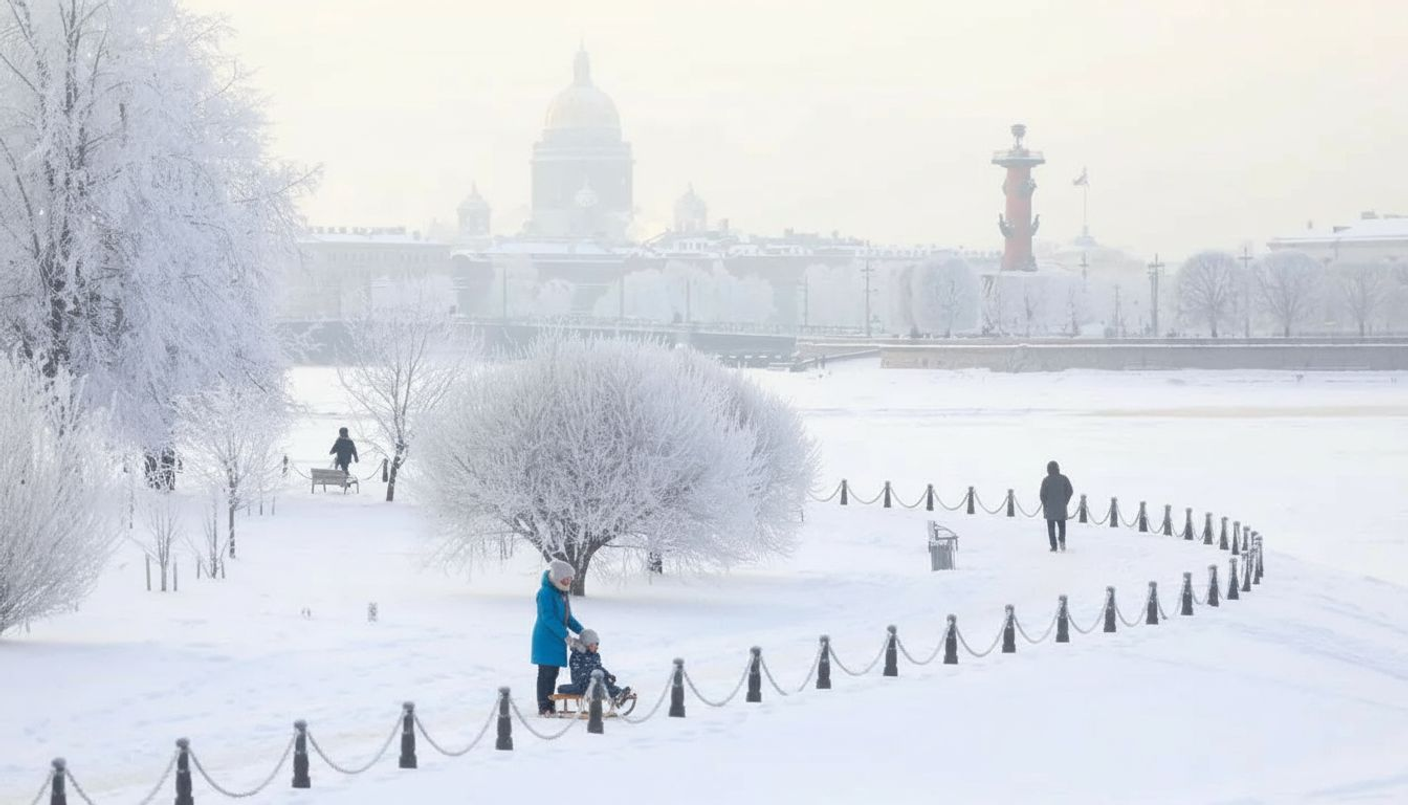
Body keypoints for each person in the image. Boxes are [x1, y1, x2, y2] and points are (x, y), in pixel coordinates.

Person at [532, 559, 587, 716]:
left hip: (557, 637)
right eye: (567, 578)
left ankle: (550, 705)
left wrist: (582, 631)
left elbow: (568, 618)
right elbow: (548, 617)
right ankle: (544, 706)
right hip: (545, 638)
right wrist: (566, 636)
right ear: (558, 577)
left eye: (570, 579)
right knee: (546, 672)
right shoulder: (545, 593)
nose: (569, 581)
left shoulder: (562, 593)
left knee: (553, 672)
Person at [560, 629, 631, 705]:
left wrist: (608, 675)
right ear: (587, 644)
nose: (597, 647)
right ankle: (618, 695)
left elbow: (599, 668)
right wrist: (591, 673)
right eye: (595, 644)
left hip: (595, 680)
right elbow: (577, 671)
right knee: (600, 685)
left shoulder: (595, 656)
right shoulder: (577, 656)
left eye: (597, 644)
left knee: (607, 684)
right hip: (582, 683)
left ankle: (620, 694)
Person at [1040, 460, 1075, 552]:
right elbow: (1070, 491)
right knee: (1062, 527)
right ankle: (1062, 541)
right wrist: (1065, 501)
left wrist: (1045, 504)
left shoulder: (1046, 480)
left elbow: (1042, 494)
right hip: (1061, 508)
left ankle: (1054, 546)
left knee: (1051, 529)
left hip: (1049, 509)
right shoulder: (1064, 479)